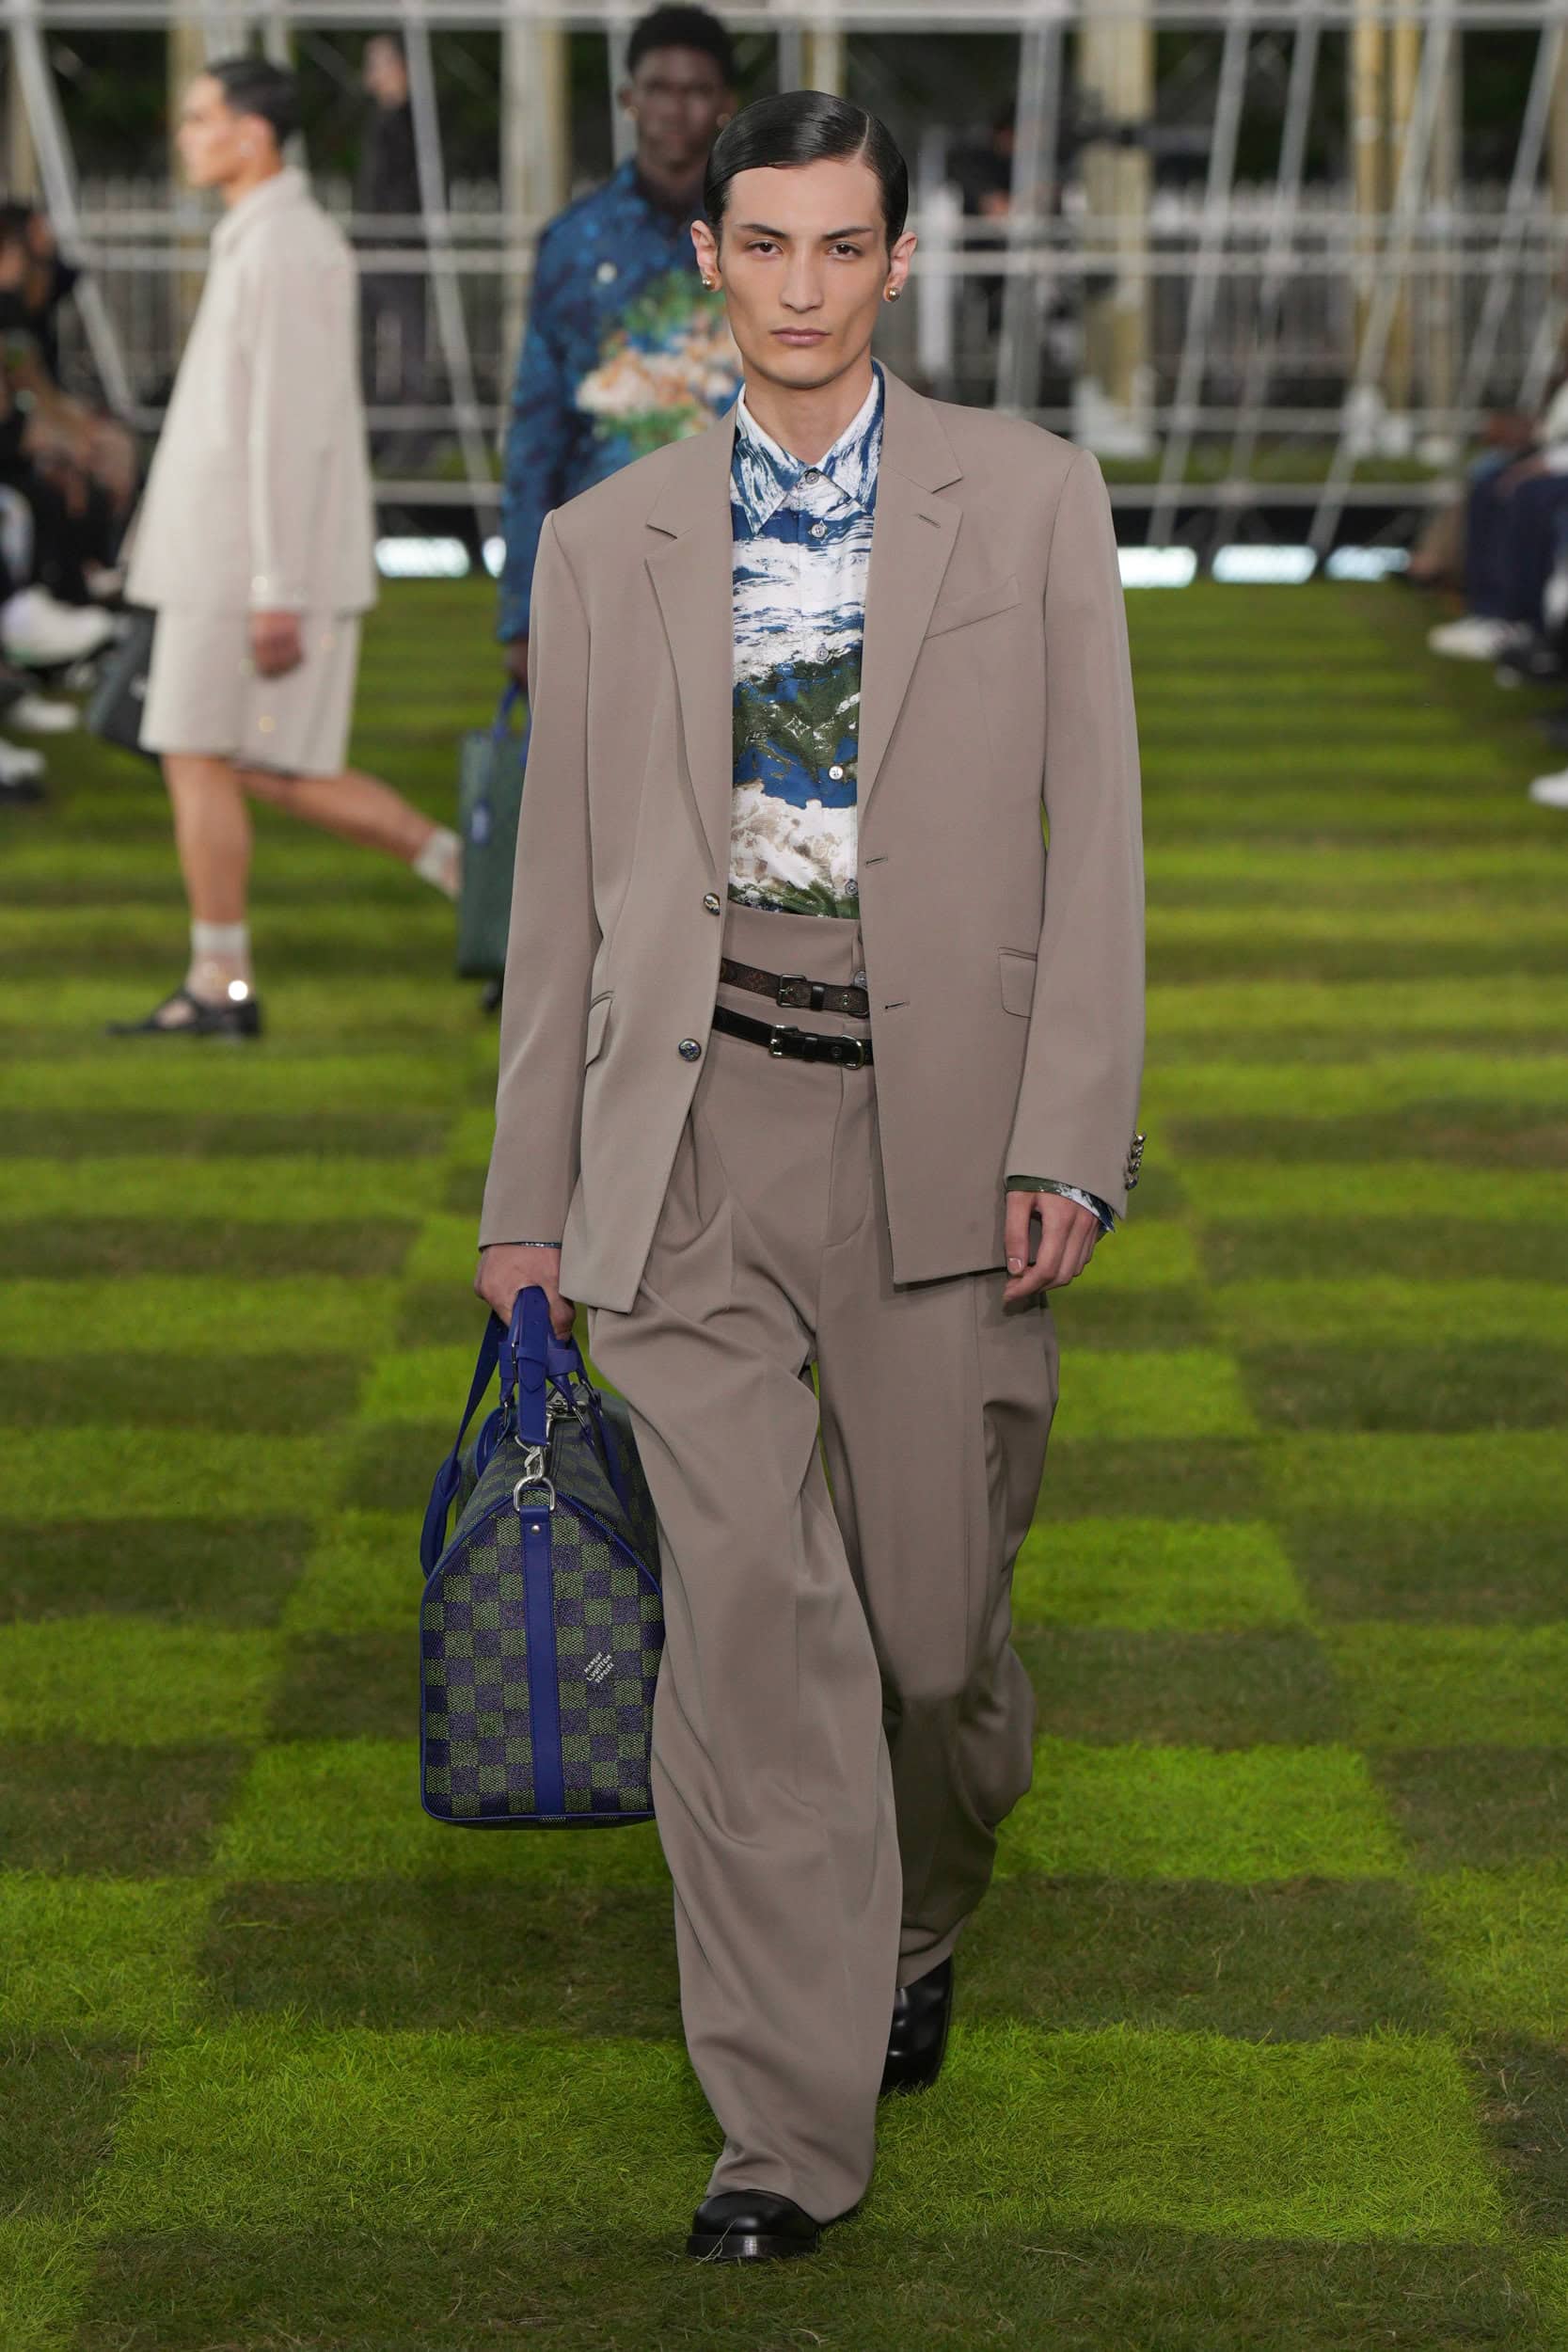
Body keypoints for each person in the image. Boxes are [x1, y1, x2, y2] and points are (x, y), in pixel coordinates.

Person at [473, 89, 1145, 2262]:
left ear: (893, 262)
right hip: (684, 1136)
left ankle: (919, 1917)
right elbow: (563, 898)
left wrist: (1069, 1132)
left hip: (944, 1136)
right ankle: (782, 2124)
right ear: (713, 259)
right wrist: (525, 1196)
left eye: (837, 247)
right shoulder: (608, 542)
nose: (795, 287)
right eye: (760, 245)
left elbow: (1096, 843)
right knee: (749, 1633)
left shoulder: (1027, 498)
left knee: (931, 1647)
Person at [111, 55, 463, 1039]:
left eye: (199, 117)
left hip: (242, 565)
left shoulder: (286, 245)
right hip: (226, 560)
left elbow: (290, 429)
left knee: (223, 759)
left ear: (251, 133)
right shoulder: (265, 238)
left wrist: (276, 585)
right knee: (247, 763)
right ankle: (225, 978)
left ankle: (224, 982)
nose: (185, 135)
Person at [496, 4, 741, 685]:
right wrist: (521, 611)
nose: (675, 109)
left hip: (744, 562)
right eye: (659, 88)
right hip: (604, 560)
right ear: (629, 98)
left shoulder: (766, 238)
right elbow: (538, 429)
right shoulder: (574, 243)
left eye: (696, 90)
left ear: (725, 104)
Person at [356, 36, 428, 456]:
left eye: (380, 63)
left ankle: (410, 437)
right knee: (366, 342)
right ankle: (374, 432)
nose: (372, 73)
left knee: (408, 343)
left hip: (401, 246)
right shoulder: (378, 119)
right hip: (372, 245)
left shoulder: (415, 121)